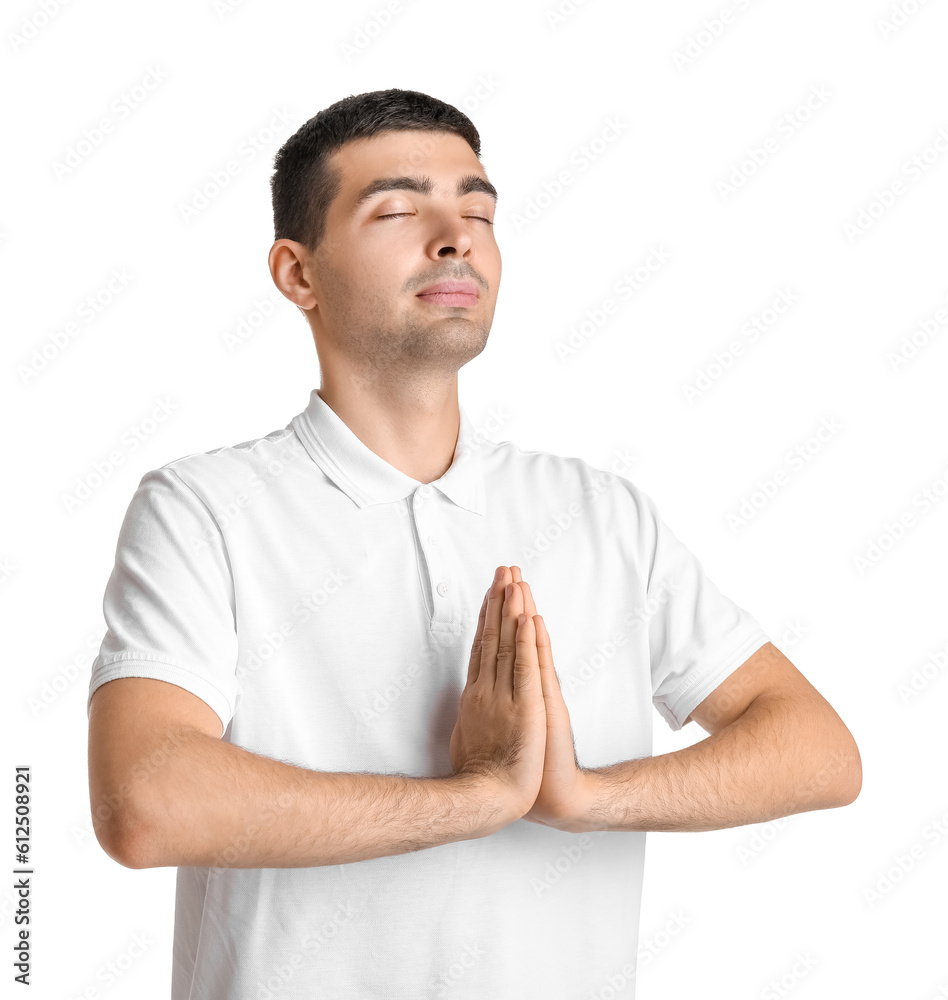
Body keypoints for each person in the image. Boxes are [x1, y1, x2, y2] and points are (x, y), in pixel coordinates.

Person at [86, 88, 861, 999]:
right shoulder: (204, 508)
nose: (456, 236)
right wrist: (477, 799)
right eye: (399, 210)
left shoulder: (599, 511)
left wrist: (584, 798)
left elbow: (820, 750)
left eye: (479, 210)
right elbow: (146, 801)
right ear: (298, 275)